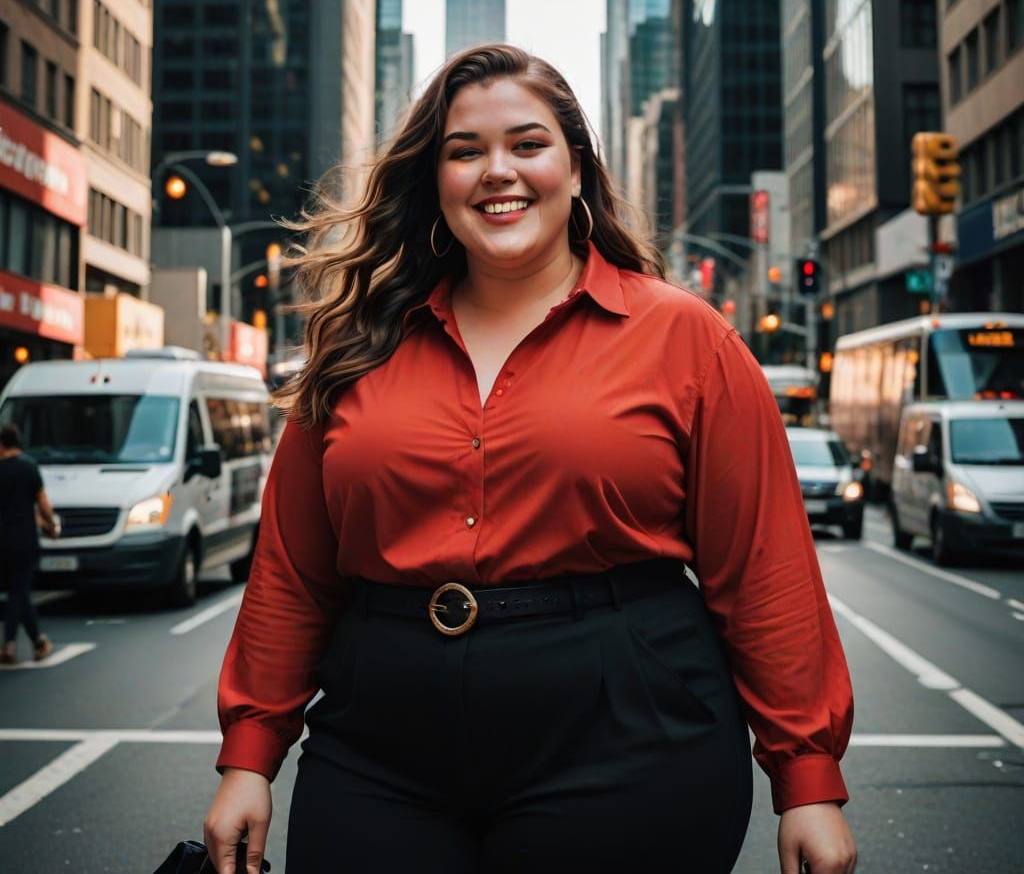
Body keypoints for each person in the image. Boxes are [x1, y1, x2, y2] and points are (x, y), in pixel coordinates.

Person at [204, 45, 857, 874]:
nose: (496, 172)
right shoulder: (356, 344)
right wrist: (249, 758)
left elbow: (764, 567)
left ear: (577, 169)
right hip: (381, 744)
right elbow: (292, 572)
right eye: (464, 151)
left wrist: (807, 779)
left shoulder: (686, 338)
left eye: (527, 144)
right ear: (434, 180)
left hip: (629, 734)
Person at [0, 422, 59, 664]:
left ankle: (38, 642)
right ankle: (10, 645)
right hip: (25, 541)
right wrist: (51, 526)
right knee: (18, 591)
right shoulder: (29, 467)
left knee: (18, 592)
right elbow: (41, 503)